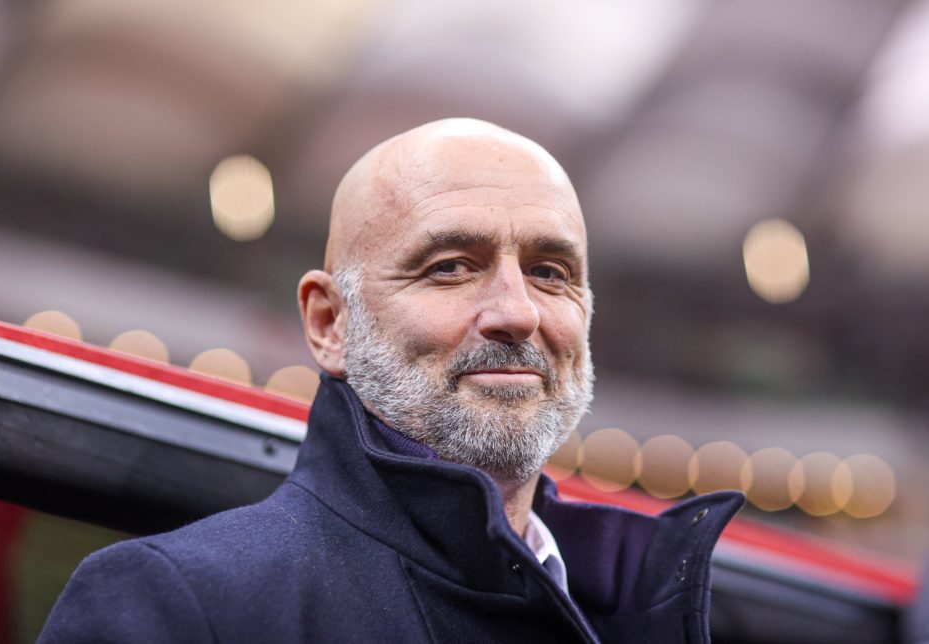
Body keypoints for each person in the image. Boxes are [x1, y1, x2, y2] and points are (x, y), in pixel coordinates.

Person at [39, 118, 743, 643]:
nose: (518, 313)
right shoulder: (179, 605)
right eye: (450, 267)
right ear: (330, 323)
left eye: (549, 272)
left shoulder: (641, 602)